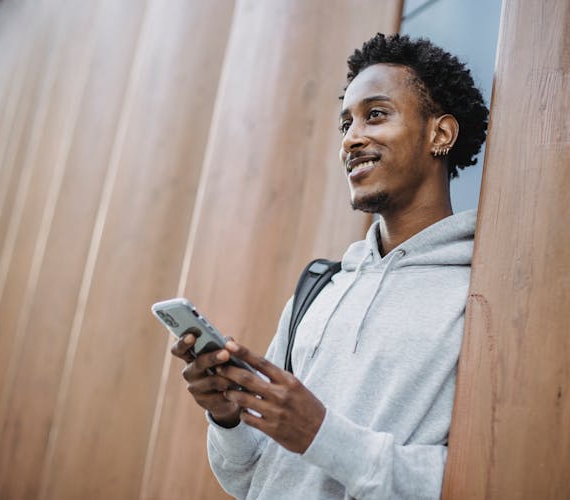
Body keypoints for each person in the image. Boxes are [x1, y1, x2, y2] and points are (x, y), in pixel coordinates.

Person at [172, 33, 489, 499]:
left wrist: (322, 436)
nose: (352, 140)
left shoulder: (480, 292)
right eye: (346, 125)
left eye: (375, 115)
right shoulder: (320, 287)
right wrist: (228, 416)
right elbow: (248, 477)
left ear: (439, 134)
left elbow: (480, 478)